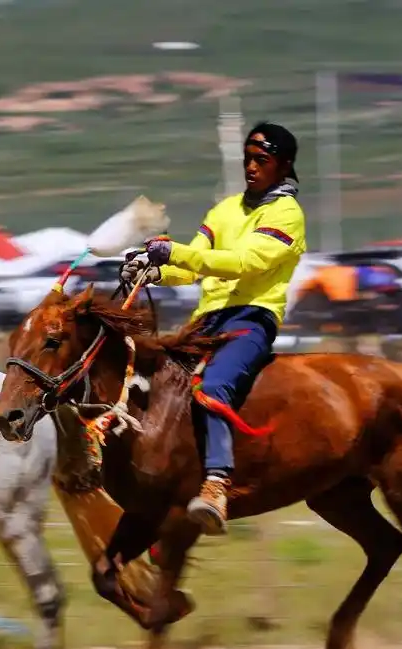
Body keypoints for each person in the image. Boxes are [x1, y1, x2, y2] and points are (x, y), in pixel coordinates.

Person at [120, 121, 308, 536]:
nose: (252, 168)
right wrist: (151, 271)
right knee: (146, 383)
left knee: (213, 386)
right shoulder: (223, 211)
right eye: (248, 160)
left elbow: (244, 263)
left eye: (262, 160)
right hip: (204, 323)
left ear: (284, 165)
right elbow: (191, 268)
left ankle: (217, 484)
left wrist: (176, 252)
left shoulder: (286, 214)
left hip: (251, 320)